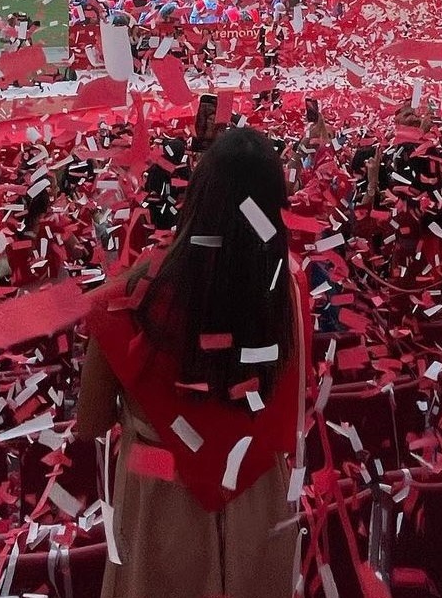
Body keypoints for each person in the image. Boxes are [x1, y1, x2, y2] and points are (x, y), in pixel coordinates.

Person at [76, 127, 311, 598]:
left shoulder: (125, 297)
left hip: (160, 495)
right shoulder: (287, 291)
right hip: (259, 499)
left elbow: (91, 421)